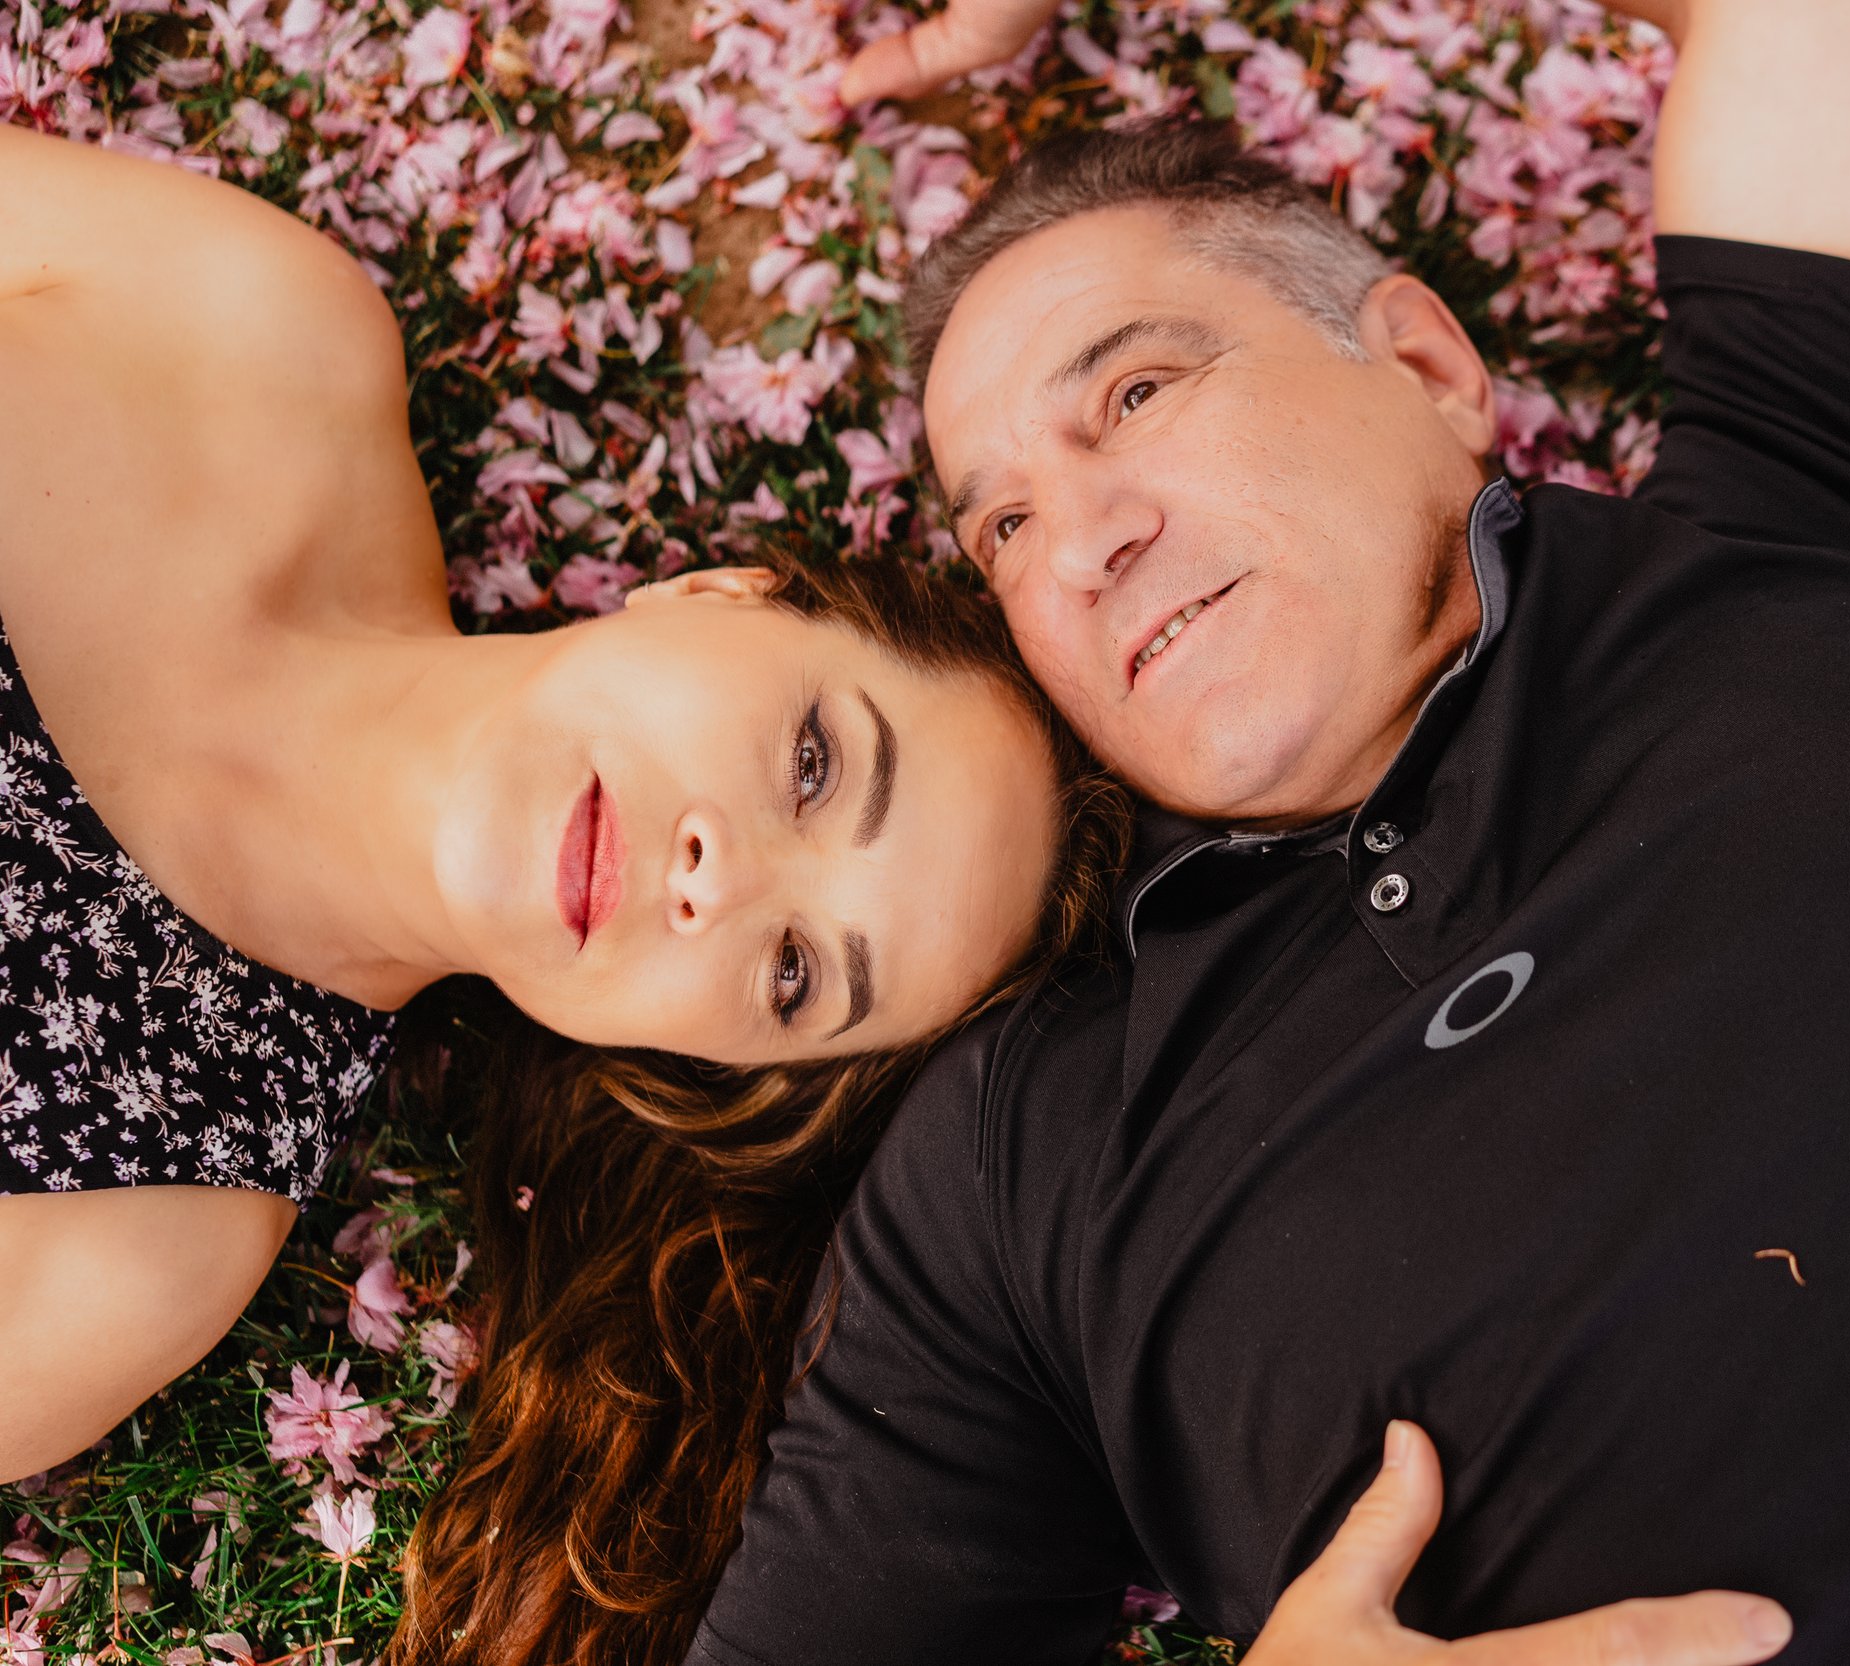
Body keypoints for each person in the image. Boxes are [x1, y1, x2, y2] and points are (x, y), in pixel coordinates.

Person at [684, 1, 1850, 1663]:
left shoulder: (1835, 501)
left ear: (1428, 365)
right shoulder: (1030, 1171)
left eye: (1137, 394)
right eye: (1000, 527)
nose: (1077, 543)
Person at [0, 124, 1125, 1486]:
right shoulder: (255, 340)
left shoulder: (128, 1240)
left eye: (790, 971)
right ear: (720, 591)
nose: (721, 879)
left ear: (691, 1062)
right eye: (817, 763)